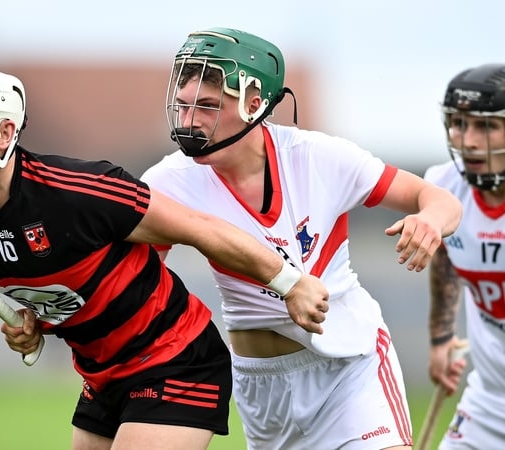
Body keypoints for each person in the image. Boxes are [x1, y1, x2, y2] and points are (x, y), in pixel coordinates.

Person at [0, 68, 331, 450]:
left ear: (6, 134)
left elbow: (204, 230)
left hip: (177, 359)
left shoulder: (78, 193)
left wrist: (290, 281)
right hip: (102, 376)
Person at [138, 27, 463, 449]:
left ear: (254, 105)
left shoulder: (319, 157)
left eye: (207, 106)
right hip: (260, 386)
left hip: (348, 368)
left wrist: (431, 222)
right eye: (183, 106)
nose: (189, 121)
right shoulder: (168, 182)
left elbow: (436, 198)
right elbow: (126, 277)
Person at [424, 63, 505, 449]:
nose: (468, 140)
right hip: (489, 401)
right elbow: (446, 254)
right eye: (458, 123)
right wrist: (441, 338)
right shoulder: (443, 186)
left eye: (486, 126)